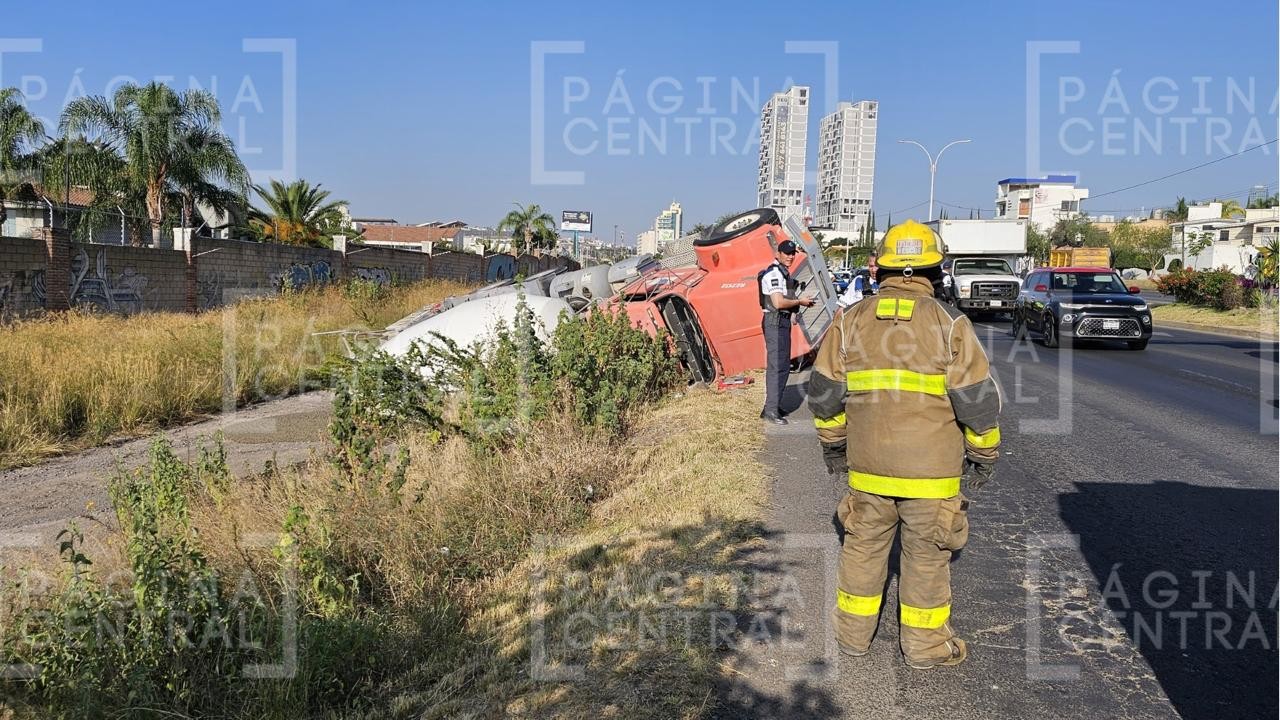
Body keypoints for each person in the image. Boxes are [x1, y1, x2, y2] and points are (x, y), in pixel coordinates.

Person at [806, 219, 1001, 669]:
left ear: (881, 271)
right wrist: (984, 454)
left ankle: (852, 638)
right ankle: (925, 647)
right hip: (932, 480)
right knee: (928, 559)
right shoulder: (952, 325)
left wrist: (835, 446)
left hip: (868, 471)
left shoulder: (849, 322)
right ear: (936, 271)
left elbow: (822, 395)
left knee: (862, 549)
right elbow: (977, 404)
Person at [758, 239, 815, 424]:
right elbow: (778, 303)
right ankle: (771, 411)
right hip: (774, 322)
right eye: (786, 253)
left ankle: (772, 406)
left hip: (781, 323)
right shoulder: (774, 274)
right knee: (777, 367)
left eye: (792, 254)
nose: (790, 256)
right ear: (778, 254)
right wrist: (800, 302)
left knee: (782, 366)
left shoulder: (783, 274)